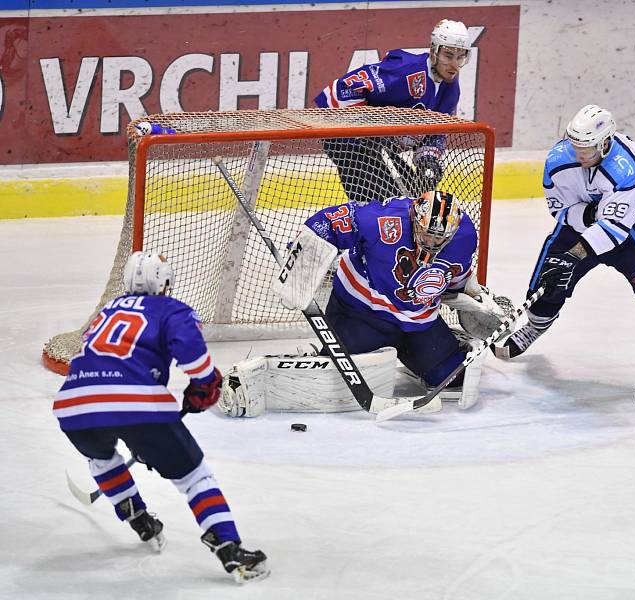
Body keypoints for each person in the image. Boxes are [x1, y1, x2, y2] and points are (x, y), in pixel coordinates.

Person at [53, 251, 269, 584]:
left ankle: (138, 518)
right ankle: (227, 546)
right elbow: (195, 360)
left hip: (73, 404)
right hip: (138, 405)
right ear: (165, 282)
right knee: (195, 477)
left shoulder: (106, 313)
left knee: (101, 460)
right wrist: (204, 385)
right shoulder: (171, 309)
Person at [493, 105, 635, 392]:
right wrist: (587, 216)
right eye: (575, 145)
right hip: (575, 231)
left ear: (605, 143)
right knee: (544, 291)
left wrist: (571, 256)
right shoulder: (557, 160)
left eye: (586, 148)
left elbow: (614, 229)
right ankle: (537, 326)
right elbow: (559, 209)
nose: (578, 154)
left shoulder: (627, 165)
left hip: (628, 233)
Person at [219, 191, 508, 417]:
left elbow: (451, 275)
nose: (432, 241)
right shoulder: (381, 220)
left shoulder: (464, 236)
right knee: (332, 383)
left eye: (440, 237)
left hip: (418, 321)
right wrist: (303, 257)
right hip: (360, 312)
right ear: (413, 219)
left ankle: (427, 349)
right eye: (427, 233)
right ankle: (259, 374)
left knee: (450, 379)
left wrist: (475, 296)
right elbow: (328, 222)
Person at [314, 20, 471, 204]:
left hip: (380, 145)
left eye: (460, 57)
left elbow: (435, 131)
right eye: (448, 55)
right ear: (433, 51)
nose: (454, 64)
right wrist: (360, 129)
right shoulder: (406, 72)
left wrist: (428, 161)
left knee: (413, 198)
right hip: (345, 139)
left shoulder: (450, 89)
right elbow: (341, 89)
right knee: (384, 205)